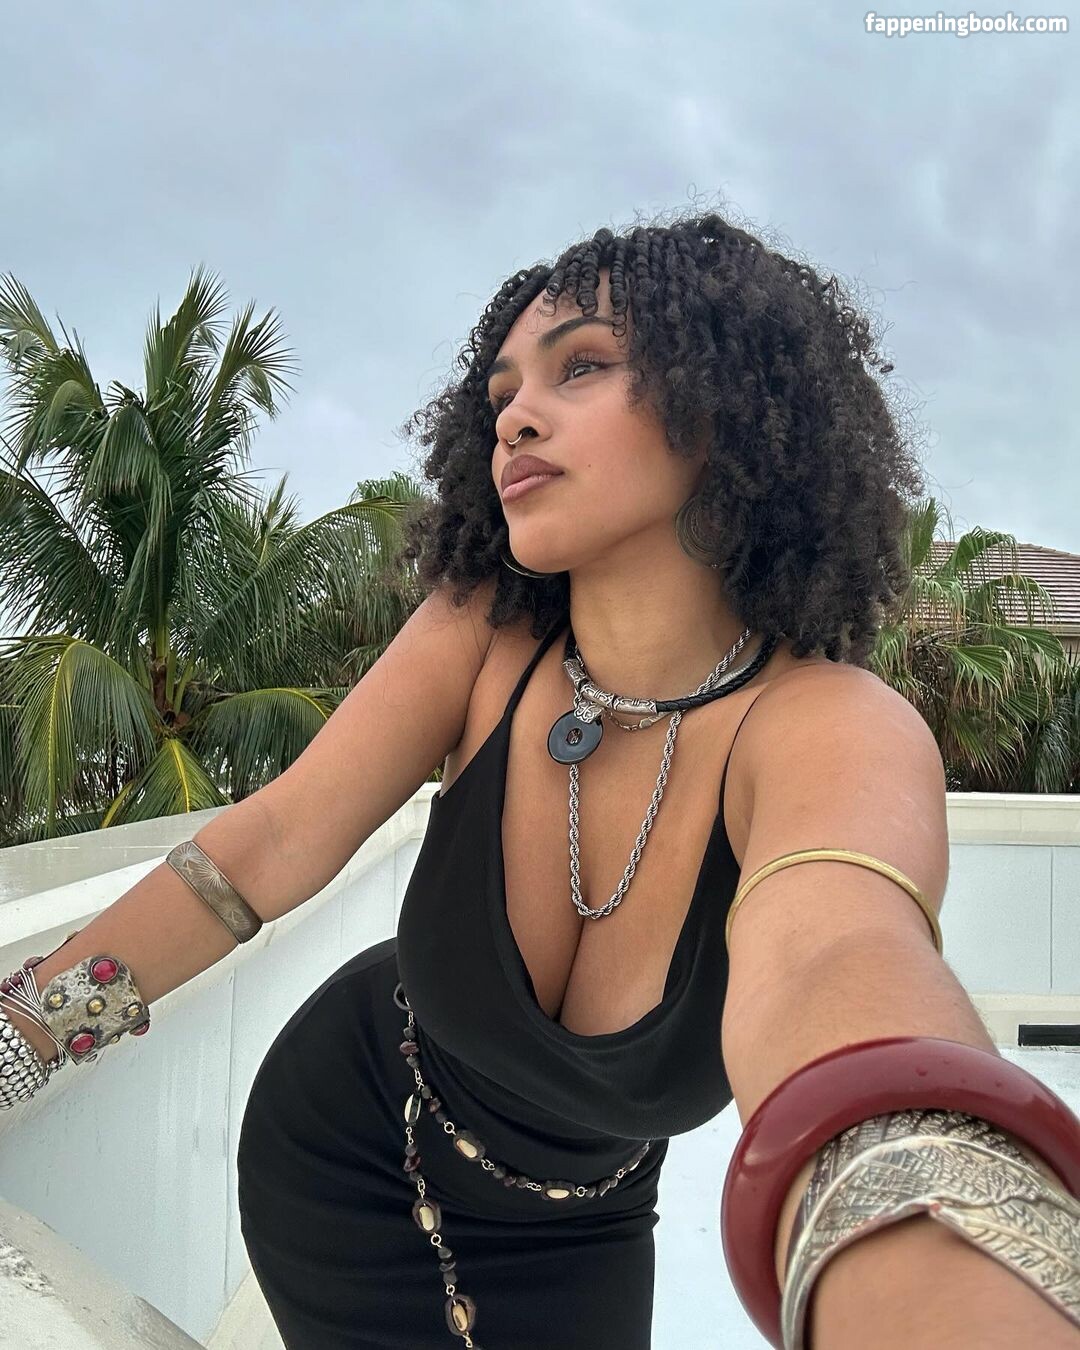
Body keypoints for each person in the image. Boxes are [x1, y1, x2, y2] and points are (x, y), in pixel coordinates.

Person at [3, 211, 1078, 1350]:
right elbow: (268, 845)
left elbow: (839, 957)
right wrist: (20, 1036)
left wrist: (940, 1223)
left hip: (583, 1218)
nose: (515, 415)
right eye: (504, 391)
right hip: (346, 1145)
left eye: (583, 366)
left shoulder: (833, 725)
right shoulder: (481, 633)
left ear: (726, 404)